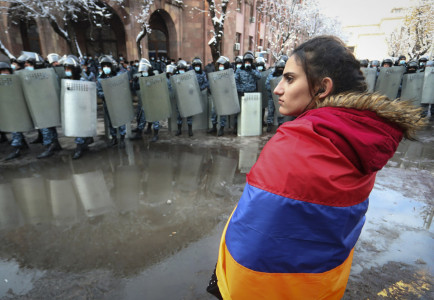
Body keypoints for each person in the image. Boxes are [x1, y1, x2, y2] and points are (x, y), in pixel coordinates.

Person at [207, 36, 425, 299]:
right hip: (320, 285)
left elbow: (253, 234)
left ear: (323, 88)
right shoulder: (360, 136)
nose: (278, 89)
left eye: (289, 79)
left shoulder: (299, 141)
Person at [62, 56, 95, 159]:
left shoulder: (82, 80)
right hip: (72, 108)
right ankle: (85, 142)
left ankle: (79, 146)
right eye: (66, 69)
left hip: (81, 108)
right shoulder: (67, 81)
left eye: (69, 69)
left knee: (79, 128)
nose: (67, 71)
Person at [1, 61, 30, 161]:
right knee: (15, 129)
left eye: (5, 70)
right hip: (8, 109)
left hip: (16, 108)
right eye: (1, 71)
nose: (3, 73)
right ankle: (23, 144)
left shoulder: (15, 80)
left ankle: (16, 149)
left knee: (15, 129)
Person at [97, 55, 126, 148]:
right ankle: (114, 137)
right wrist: (105, 95)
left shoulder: (117, 77)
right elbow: (99, 92)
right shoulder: (100, 79)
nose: (106, 68)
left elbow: (123, 88)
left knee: (120, 120)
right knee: (111, 121)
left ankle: (122, 138)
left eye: (107, 66)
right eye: (104, 66)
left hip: (118, 103)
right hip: (107, 103)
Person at [130, 58, 160, 142]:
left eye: (145, 70)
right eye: (142, 71)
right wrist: (135, 82)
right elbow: (136, 88)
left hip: (153, 101)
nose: (144, 72)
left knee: (155, 118)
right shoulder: (141, 78)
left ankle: (156, 134)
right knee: (142, 117)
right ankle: (139, 133)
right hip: (145, 101)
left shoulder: (154, 77)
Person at [234, 51, 261, 134]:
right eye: (246, 62)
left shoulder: (254, 69)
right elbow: (236, 81)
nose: (247, 63)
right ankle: (236, 126)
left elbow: (259, 76)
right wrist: (240, 90)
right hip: (242, 94)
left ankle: (250, 127)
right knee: (239, 111)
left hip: (251, 94)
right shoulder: (239, 70)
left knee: (250, 112)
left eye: (249, 62)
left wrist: (252, 71)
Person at [207, 56, 231, 136]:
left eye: (222, 65)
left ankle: (221, 128)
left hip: (224, 96)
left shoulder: (229, 74)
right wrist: (210, 88)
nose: (221, 66)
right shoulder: (216, 73)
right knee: (214, 111)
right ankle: (214, 127)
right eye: (219, 65)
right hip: (217, 95)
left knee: (223, 112)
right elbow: (211, 82)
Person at [265, 58, 285, 132]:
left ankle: (280, 124)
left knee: (281, 111)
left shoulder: (285, 76)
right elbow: (267, 84)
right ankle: (269, 125)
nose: (280, 69)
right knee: (270, 111)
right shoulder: (271, 75)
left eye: (282, 68)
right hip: (272, 97)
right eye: (279, 68)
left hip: (281, 97)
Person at [175, 59, 194, 137]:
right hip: (180, 98)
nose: (181, 71)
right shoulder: (176, 76)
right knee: (179, 115)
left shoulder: (188, 76)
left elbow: (192, 86)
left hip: (188, 98)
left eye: (182, 69)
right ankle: (179, 130)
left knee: (189, 114)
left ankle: (190, 130)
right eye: (180, 69)